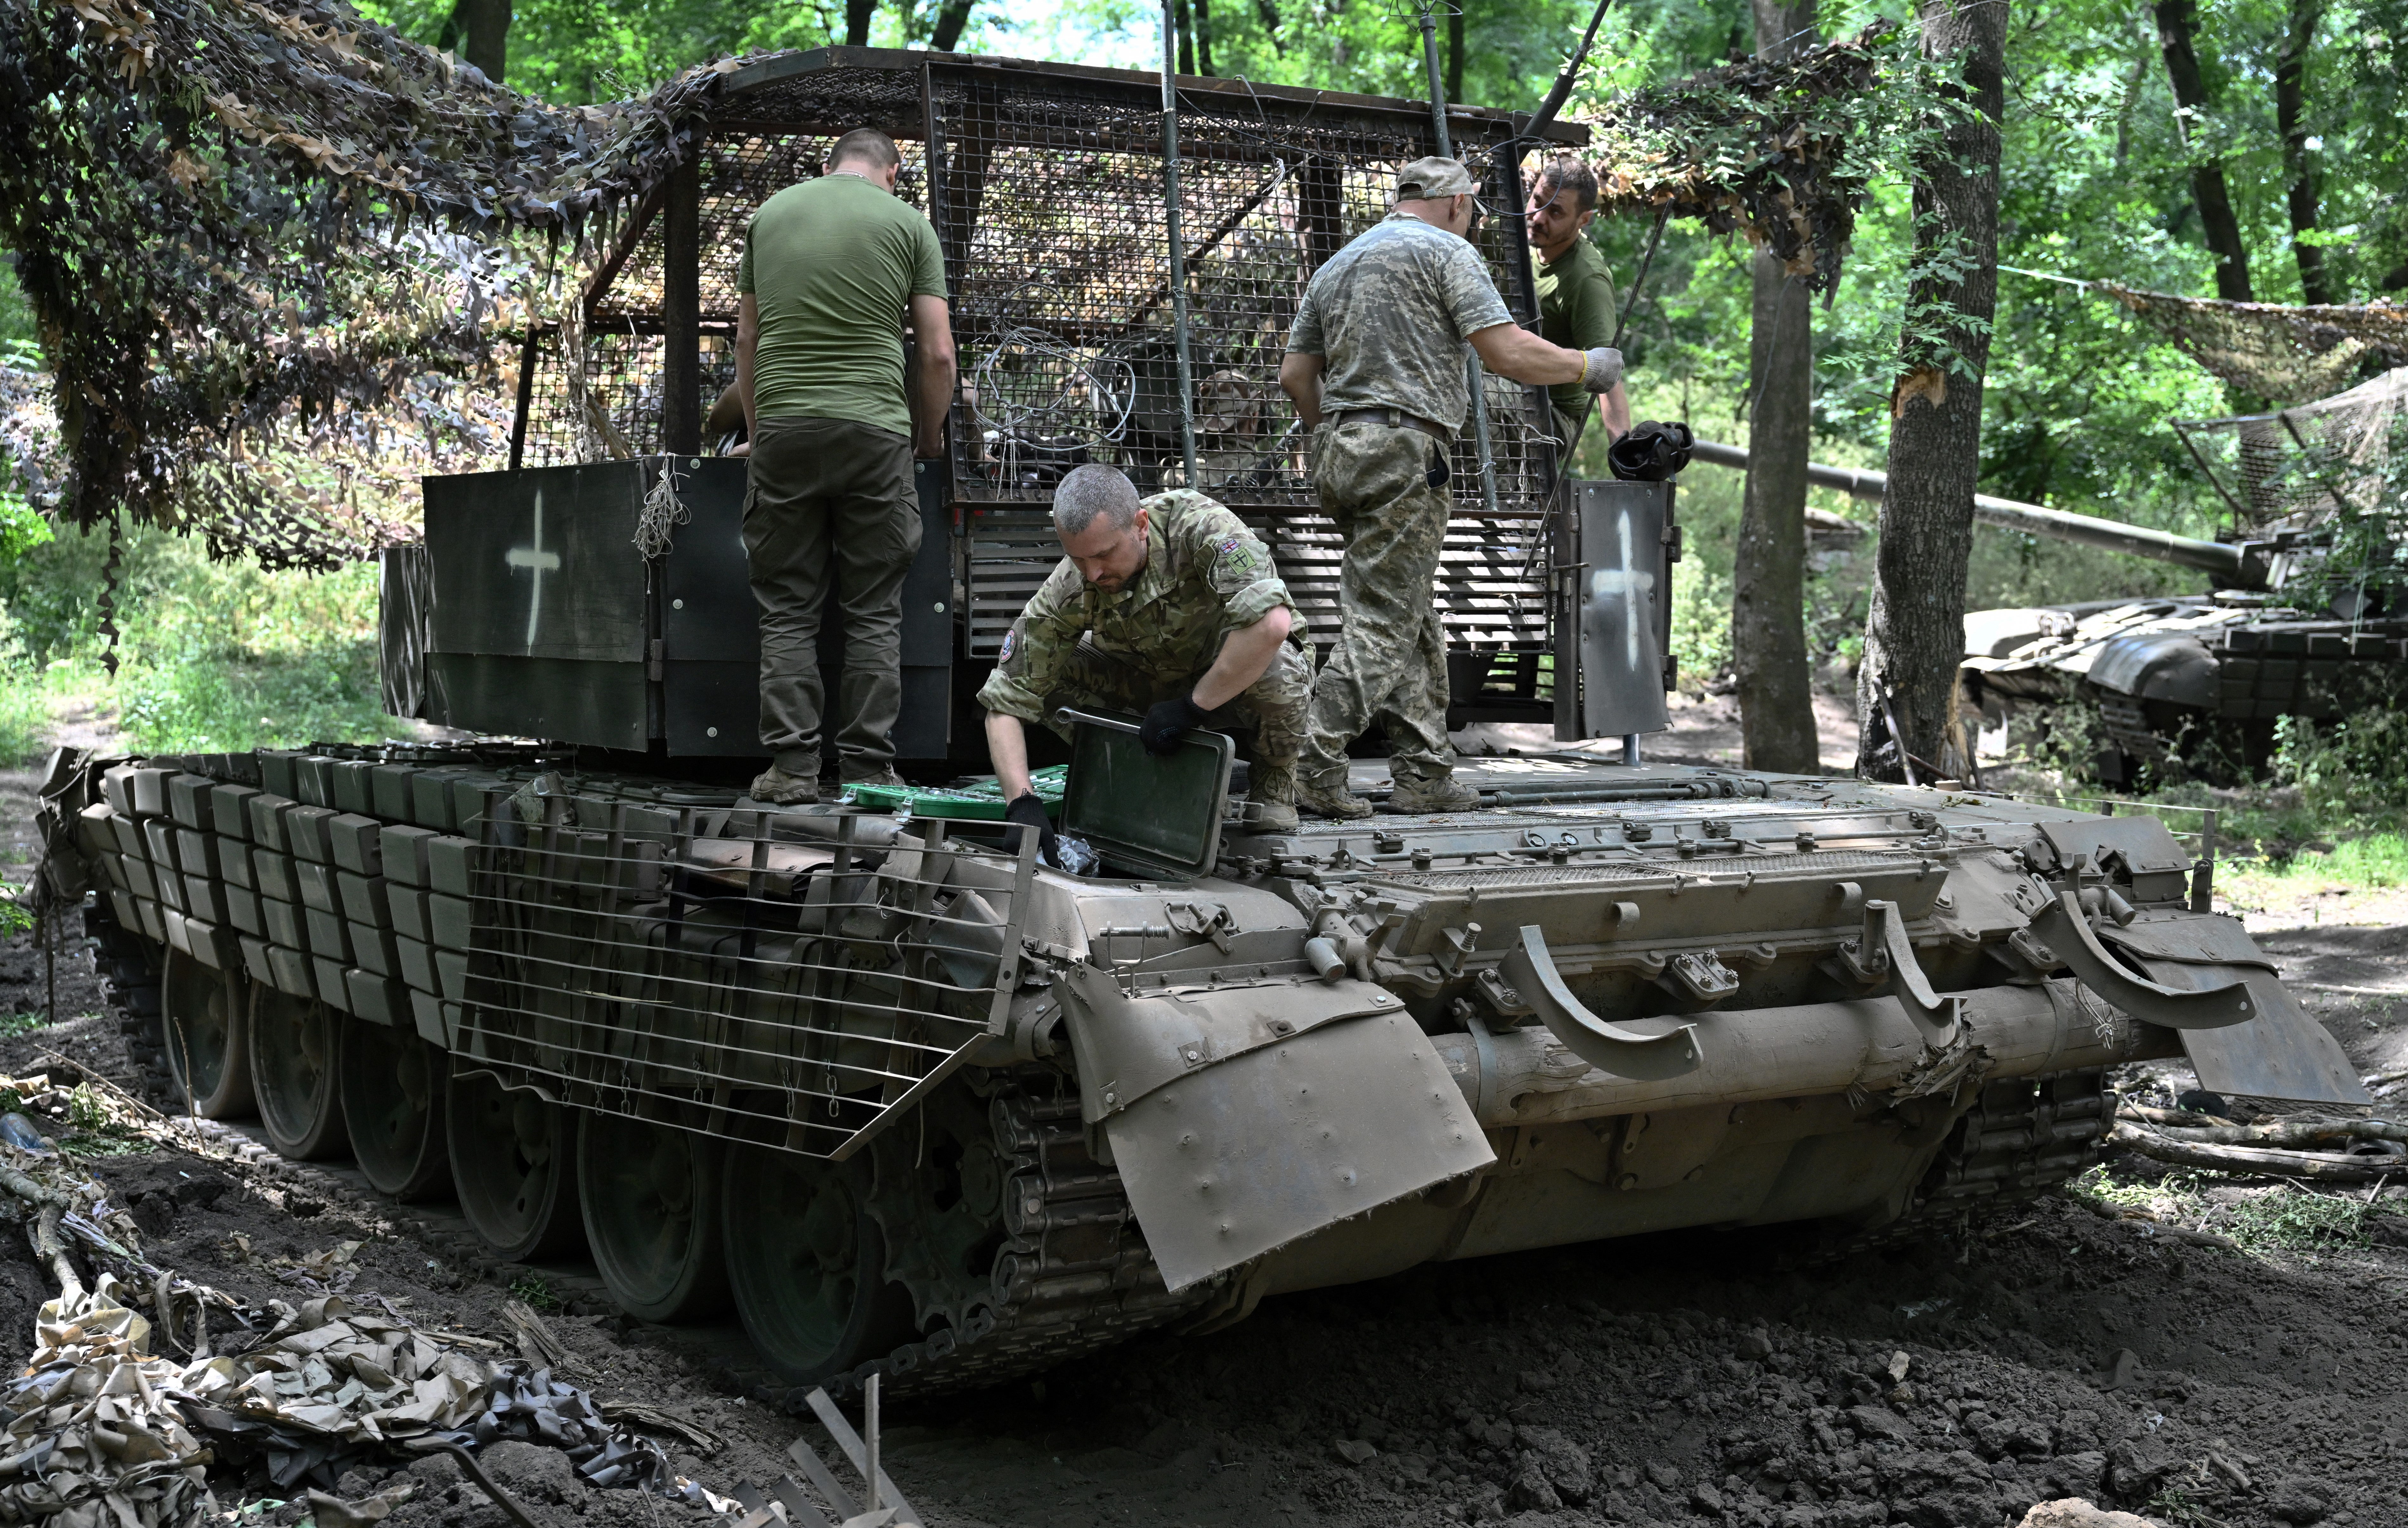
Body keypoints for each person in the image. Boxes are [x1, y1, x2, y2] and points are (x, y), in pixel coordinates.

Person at [1277, 156, 1620, 819]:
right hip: (1406, 452)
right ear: (1458, 204)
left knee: (1406, 609)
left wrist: (1341, 431)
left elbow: (1295, 376)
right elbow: (1506, 353)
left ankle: (1424, 772)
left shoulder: (1338, 263)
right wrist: (1586, 364)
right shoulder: (1447, 254)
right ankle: (1309, 767)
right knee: (1382, 620)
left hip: (1339, 452)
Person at [734, 127, 957, 805]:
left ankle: (792, 772)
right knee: (872, 611)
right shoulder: (908, 224)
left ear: (826, 166)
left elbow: (746, 337)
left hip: (783, 431)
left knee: (787, 610)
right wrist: (928, 437)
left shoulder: (769, 215)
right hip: (875, 435)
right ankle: (865, 771)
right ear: (892, 170)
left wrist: (756, 427)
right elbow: (938, 353)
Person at [979, 465, 1311, 848]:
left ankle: (1273, 784)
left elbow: (1272, 624)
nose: (1092, 574)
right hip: (1148, 685)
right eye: (1078, 559)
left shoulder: (1199, 527)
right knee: (1048, 672)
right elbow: (1005, 701)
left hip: (1228, 681)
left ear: (1141, 524)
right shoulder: (1071, 583)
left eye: (1104, 554)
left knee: (1278, 668)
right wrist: (1022, 806)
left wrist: (1191, 708)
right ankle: (1146, 772)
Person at [1526, 155, 1631, 454]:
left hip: (1549, 418)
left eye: (1555, 212)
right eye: (1537, 201)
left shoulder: (1586, 280)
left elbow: (1607, 373)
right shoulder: (1512, 235)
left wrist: (1624, 457)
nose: (1538, 217)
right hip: (1501, 387)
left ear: (1583, 220)